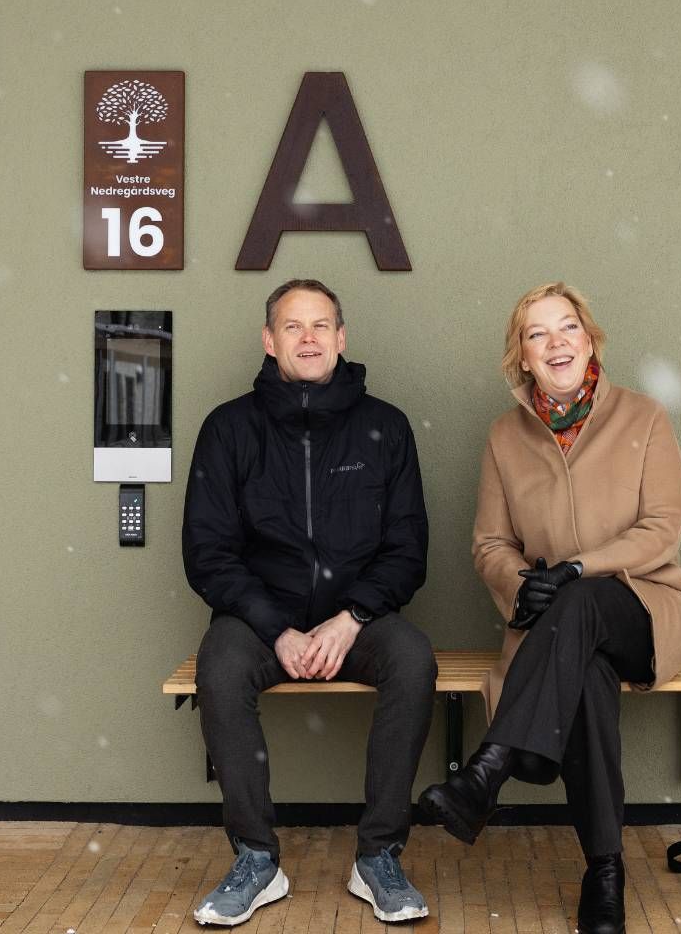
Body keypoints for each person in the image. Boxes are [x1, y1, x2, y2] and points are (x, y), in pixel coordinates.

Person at [416, 283, 681, 934]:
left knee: (588, 604)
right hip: (556, 629)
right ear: (522, 356)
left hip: (646, 608)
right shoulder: (504, 437)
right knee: (590, 681)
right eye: (538, 334)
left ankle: (492, 766)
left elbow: (661, 529)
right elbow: (490, 543)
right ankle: (605, 871)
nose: (556, 343)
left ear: (590, 338)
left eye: (567, 327)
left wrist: (576, 569)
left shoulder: (645, 417)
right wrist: (523, 585)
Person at [182, 279, 436, 926]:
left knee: (413, 661)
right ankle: (256, 859)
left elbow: (408, 550)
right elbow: (208, 554)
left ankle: (378, 856)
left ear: (342, 338)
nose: (309, 338)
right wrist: (276, 629)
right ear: (269, 341)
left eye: (321, 325)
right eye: (293, 327)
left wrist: (350, 619)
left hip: (359, 620)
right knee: (219, 665)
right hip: (259, 620)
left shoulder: (386, 426)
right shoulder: (228, 428)